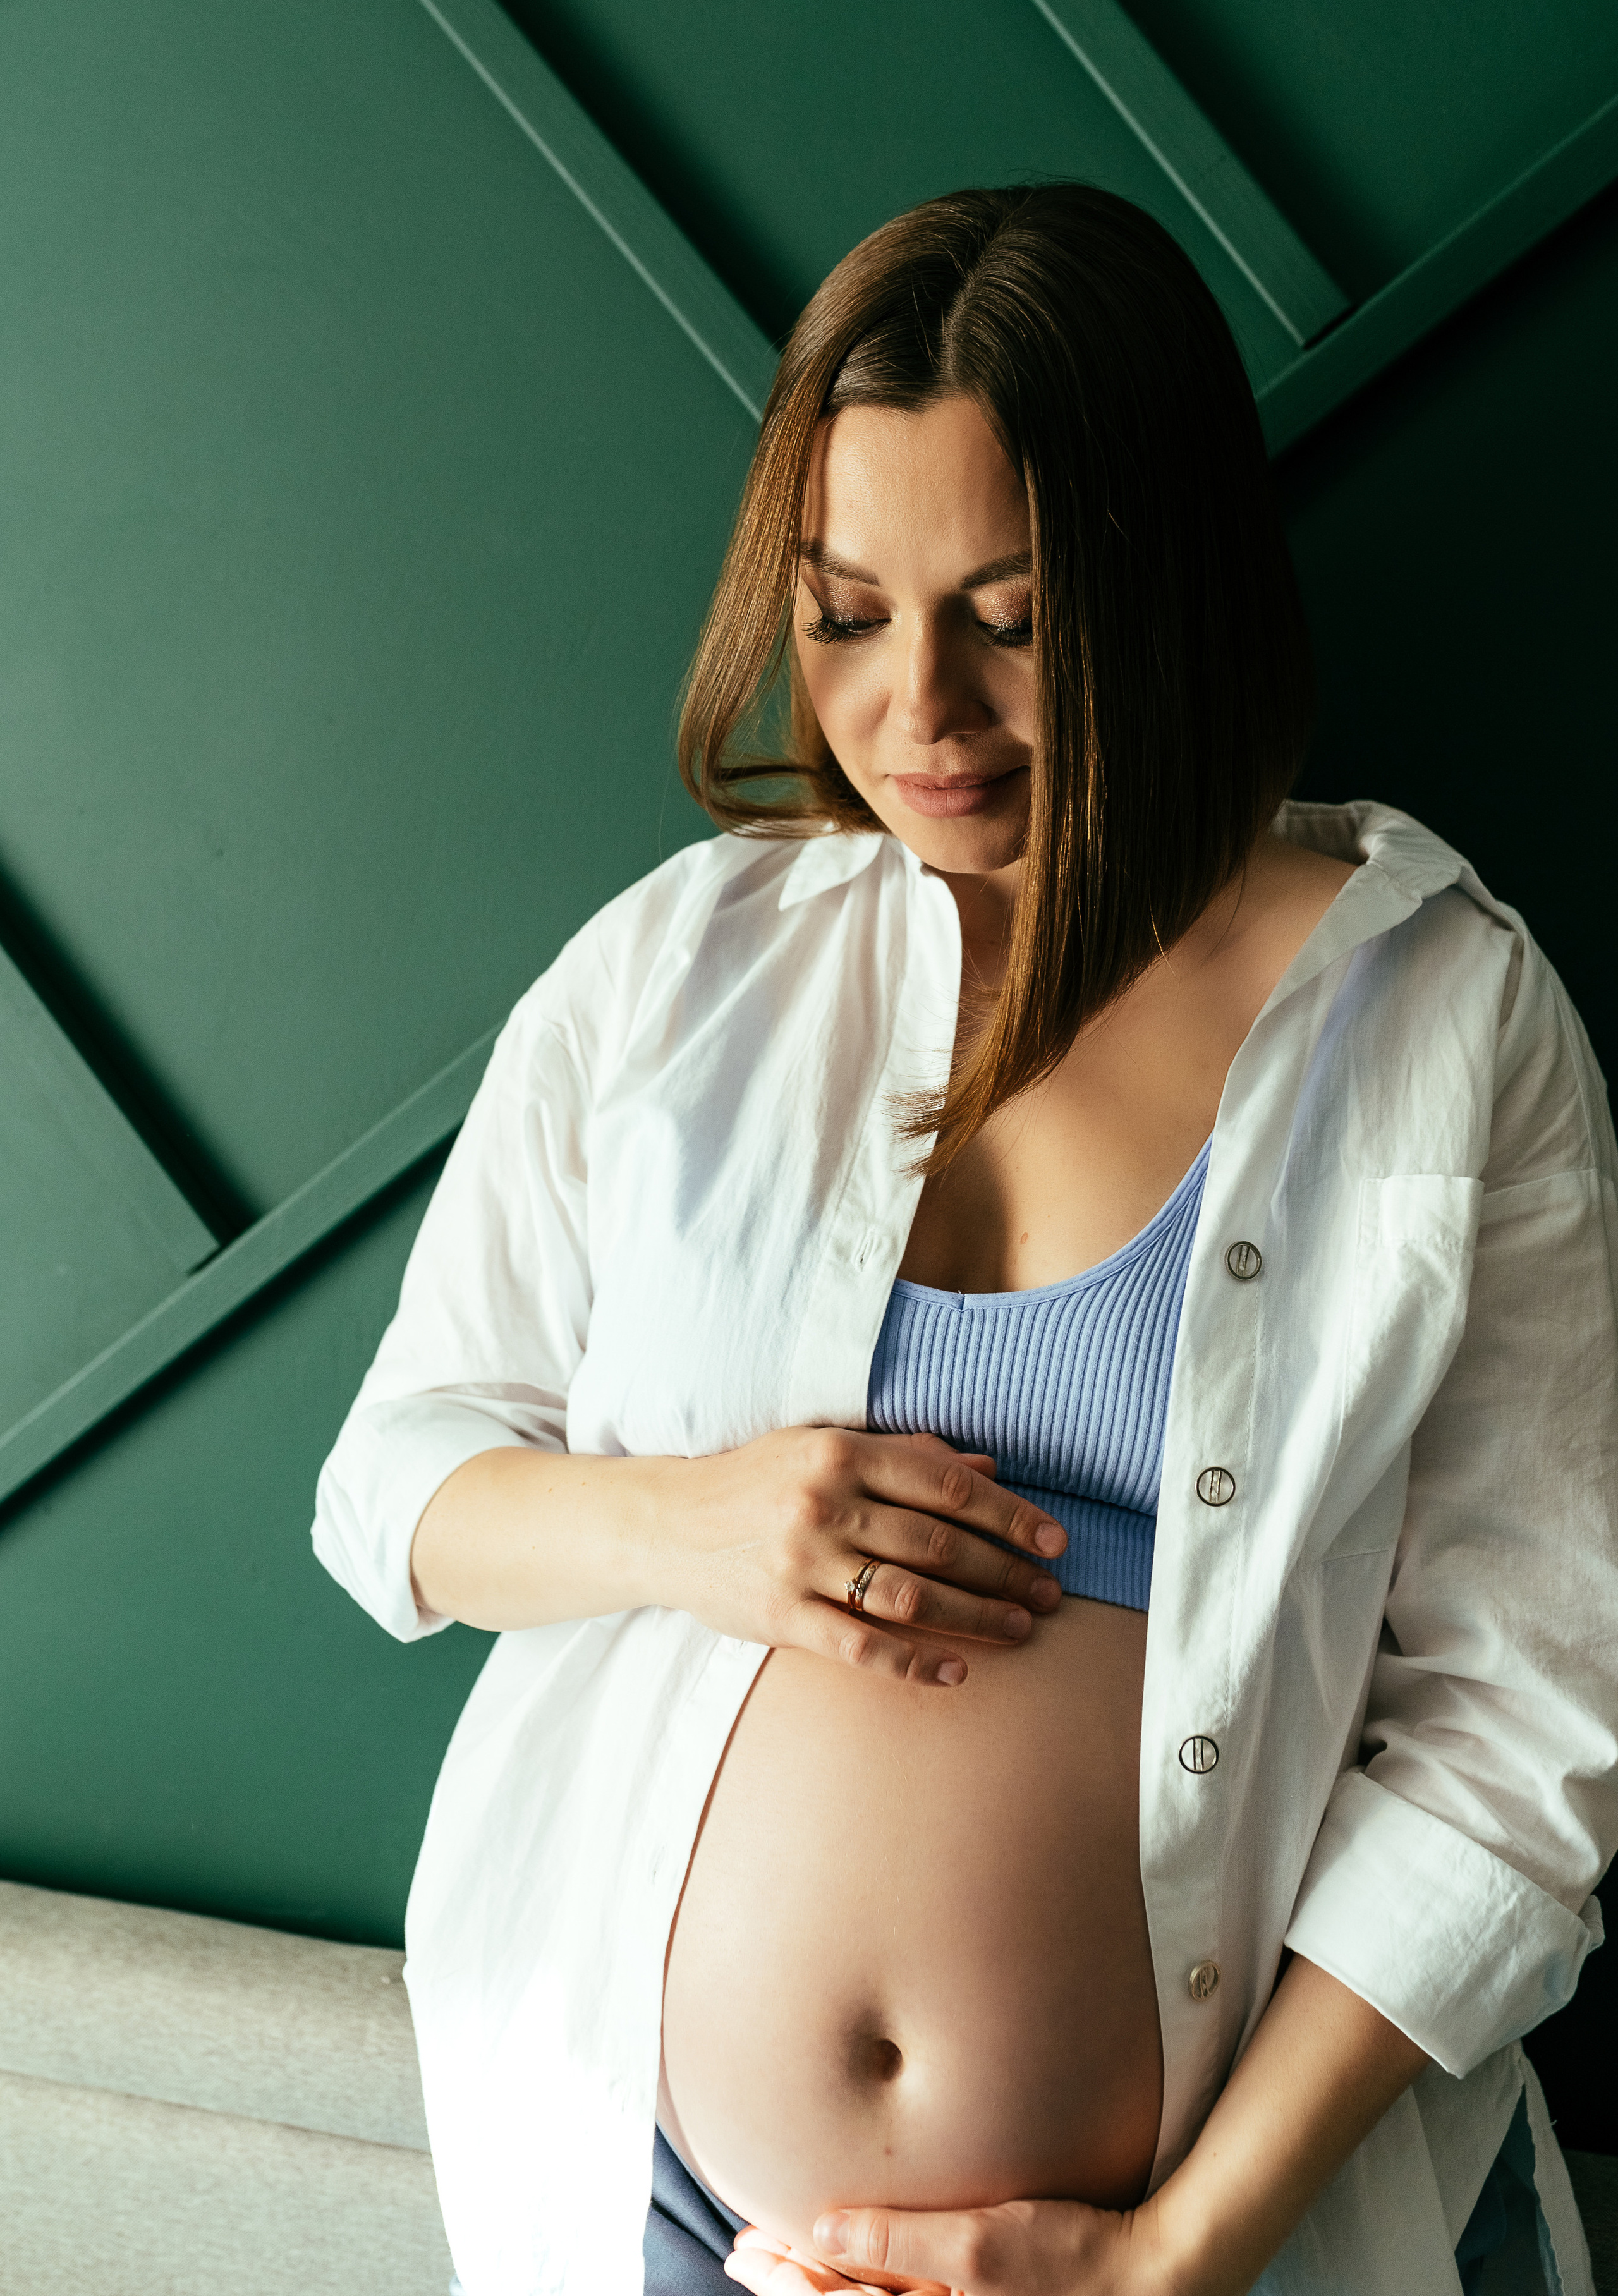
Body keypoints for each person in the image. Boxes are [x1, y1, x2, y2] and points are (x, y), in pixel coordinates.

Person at [313, 185, 1617, 2296]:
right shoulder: (679, 971)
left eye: (1009, 613)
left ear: (1164, 580)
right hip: (661, 2210)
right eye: (843, 612)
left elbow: (1531, 1728)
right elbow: (390, 1495)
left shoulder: (1446, 1022)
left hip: (1244, 2243)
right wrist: (700, 1529)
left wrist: (1174, 2254)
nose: (920, 708)